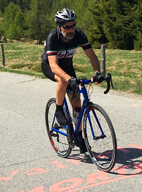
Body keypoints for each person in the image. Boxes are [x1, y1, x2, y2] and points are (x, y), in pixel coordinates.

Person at [41, 8, 104, 153]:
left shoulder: (79, 35)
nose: (71, 30)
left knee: (77, 104)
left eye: (73, 25)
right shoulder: (53, 37)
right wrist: (69, 79)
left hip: (67, 66)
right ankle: (58, 110)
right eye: (67, 27)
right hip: (50, 66)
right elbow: (53, 65)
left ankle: (79, 136)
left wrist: (97, 72)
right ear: (60, 27)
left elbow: (92, 56)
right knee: (63, 81)